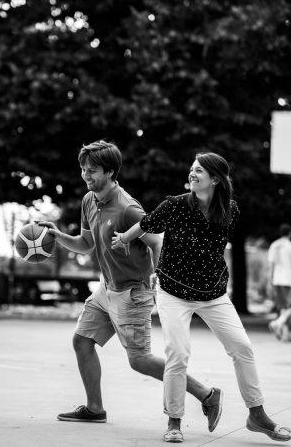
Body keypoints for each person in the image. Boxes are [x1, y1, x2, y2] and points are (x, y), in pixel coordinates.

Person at [38, 141, 220, 435]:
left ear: (110, 172)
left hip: (132, 293)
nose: (86, 175)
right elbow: (86, 245)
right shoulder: (90, 200)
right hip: (106, 288)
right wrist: (58, 236)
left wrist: (159, 277)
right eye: (83, 169)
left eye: (93, 170)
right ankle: (94, 409)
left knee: (139, 360)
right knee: (82, 341)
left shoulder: (128, 209)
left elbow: (157, 242)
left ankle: (207, 394)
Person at [112, 152, 291, 443]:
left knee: (242, 347)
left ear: (216, 179)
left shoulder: (230, 210)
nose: (192, 174)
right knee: (178, 354)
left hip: (213, 294)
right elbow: (146, 225)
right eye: (192, 169)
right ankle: (174, 421)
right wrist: (123, 238)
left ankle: (256, 415)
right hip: (173, 292)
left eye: (199, 171)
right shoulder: (176, 205)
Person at [267, 224, 291, 343]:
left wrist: (270, 280)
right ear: (290, 233)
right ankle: (277, 323)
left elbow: (271, 265)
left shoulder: (274, 245)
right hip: (289, 279)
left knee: (283, 307)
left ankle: (285, 333)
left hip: (277, 279)